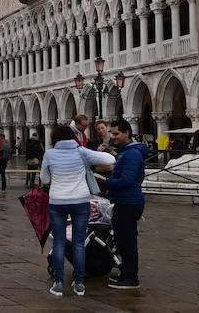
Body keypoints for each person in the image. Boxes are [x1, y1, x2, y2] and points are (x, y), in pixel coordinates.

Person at [40, 123, 116, 298]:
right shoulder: (81, 152)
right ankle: (79, 284)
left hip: (58, 201)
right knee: (79, 243)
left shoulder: (49, 154)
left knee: (59, 242)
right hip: (80, 201)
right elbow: (110, 160)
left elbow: (44, 179)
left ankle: (58, 284)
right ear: (72, 138)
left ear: (55, 139)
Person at [104, 119, 146, 290]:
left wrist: (106, 183)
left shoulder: (132, 154)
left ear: (127, 132)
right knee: (122, 240)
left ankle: (130, 277)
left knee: (127, 241)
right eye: (112, 133)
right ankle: (126, 273)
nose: (113, 137)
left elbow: (128, 180)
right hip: (124, 200)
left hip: (129, 201)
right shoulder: (126, 152)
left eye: (116, 133)